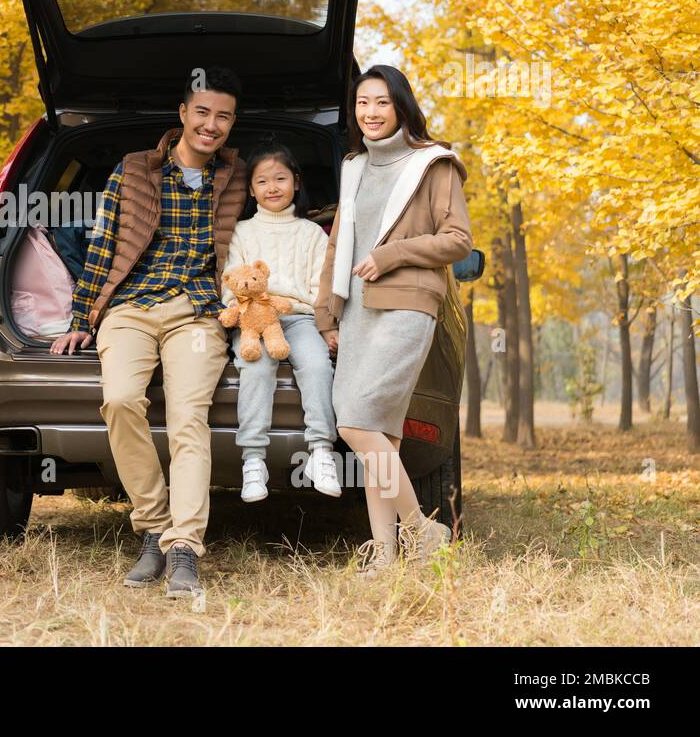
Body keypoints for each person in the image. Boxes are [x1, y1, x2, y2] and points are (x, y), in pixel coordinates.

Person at [51, 66, 247, 600]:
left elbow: (278, 216)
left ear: (231, 124)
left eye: (223, 116)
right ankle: (154, 528)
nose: (211, 125)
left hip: (198, 313)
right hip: (130, 308)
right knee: (119, 401)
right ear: (182, 114)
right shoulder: (134, 169)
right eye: (202, 112)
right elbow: (103, 245)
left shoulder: (236, 177)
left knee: (189, 418)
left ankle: (184, 547)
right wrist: (78, 318)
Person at [313, 65, 474, 576]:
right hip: (357, 310)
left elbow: (457, 241)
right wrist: (326, 315)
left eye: (381, 102)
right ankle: (384, 556)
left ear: (401, 106)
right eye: (362, 103)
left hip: (406, 307)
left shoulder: (433, 163)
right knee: (380, 435)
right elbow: (338, 246)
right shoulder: (353, 167)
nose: (371, 113)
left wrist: (393, 254)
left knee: (356, 422)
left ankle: (423, 530)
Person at [222, 141, 341, 503]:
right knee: (256, 367)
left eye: (280, 178)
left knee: (318, 365)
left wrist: (326, 326)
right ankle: (253, 460)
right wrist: (238, 308)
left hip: (298, 318)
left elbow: (320, 288)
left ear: (296, 183)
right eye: (262, 181)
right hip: (252, 319)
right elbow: (231, 279)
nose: (272, 187)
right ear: (251, 189)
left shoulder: (310, 234)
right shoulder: (242, 231)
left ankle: (321, 451)